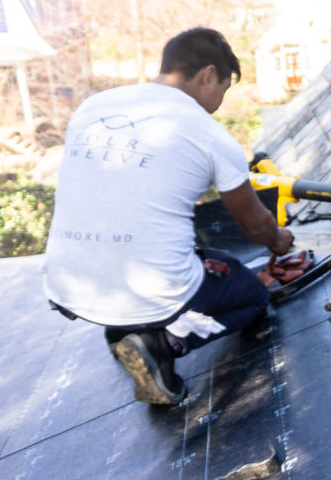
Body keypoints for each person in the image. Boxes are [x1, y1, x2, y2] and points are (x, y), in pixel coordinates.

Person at [43, 27, 293, 406]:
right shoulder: (207, 133)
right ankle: (162, 342)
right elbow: (255, 226)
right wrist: (280, 241)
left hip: (68, 284)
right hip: (155, 290)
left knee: (192, 255)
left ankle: (125, 326)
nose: (217, 104)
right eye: (222, 91)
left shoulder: (93, 107)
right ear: (208, 75)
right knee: (254, 297)